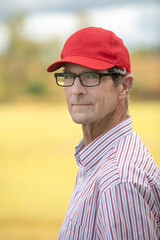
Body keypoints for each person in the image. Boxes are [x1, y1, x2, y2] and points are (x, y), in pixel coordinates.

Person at [47, 27, 160, 240]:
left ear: (124, 86)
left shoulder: (119, 181)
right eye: (69, 76)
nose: (76, 89)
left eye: (91, 76)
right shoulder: (97, 159)